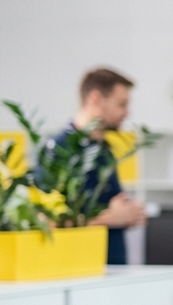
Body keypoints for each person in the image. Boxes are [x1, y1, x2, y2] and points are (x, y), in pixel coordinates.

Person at [57, 68, 148, 264]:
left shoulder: (103, 150)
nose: (127, 112)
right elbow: (45, 222)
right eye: (121, 104)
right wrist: (110, 218)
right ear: (96, 99)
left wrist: (128, 213)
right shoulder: (61, 149)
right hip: (80, 274)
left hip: (110, 275)